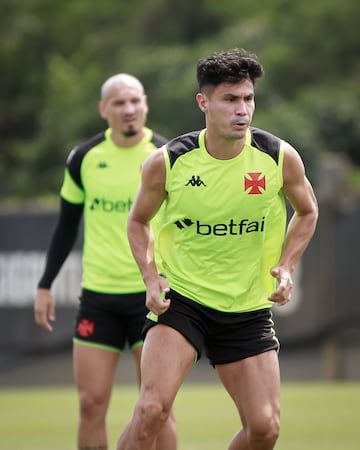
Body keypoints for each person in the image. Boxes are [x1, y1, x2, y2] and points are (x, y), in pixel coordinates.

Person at [117, 48, 319, 450]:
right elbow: (138, 221)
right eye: (230, 99)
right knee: (152, 409)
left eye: (248, 99)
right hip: (183, 302)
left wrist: (286, 266)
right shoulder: (168, 162)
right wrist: (151, 278)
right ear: (203, 102)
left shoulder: (279, 157)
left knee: (265, 429)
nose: (242, 109)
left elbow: (308, 212)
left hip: (246, 308)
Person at [34, 73, 177, 450]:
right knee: (90, 403)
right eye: (119, 103)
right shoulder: (83, 158)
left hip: (153, 298)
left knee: (158, 408)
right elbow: (66, 227)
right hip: (98, 298)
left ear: (145, 105)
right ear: (103, 109)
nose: (128, 110)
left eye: (135, 101)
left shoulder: (168, 155)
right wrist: (45, 284)